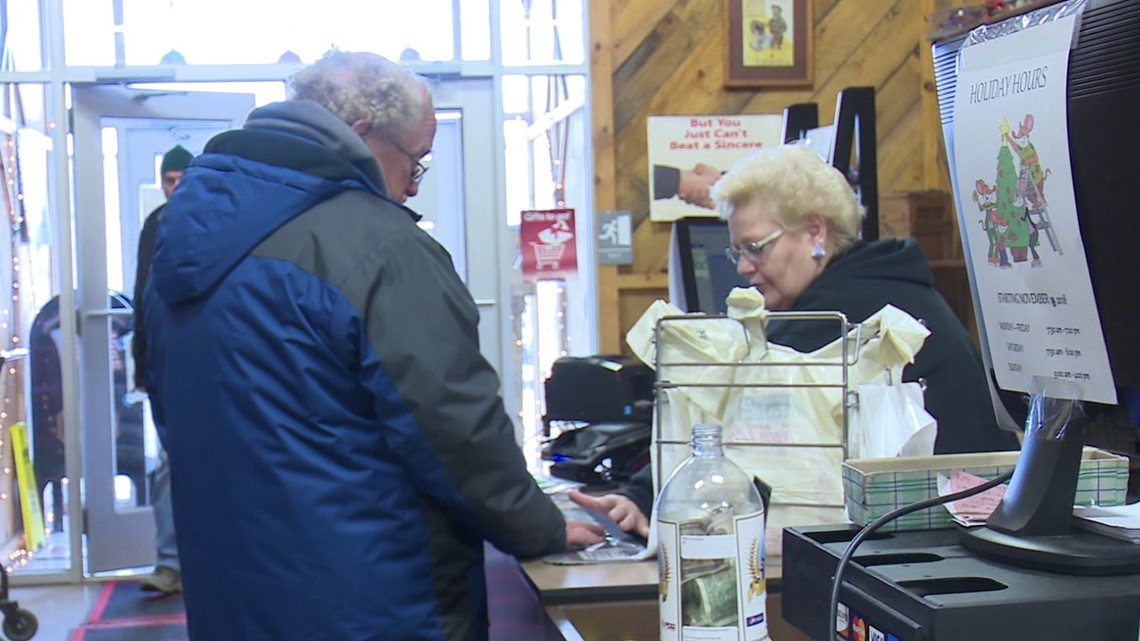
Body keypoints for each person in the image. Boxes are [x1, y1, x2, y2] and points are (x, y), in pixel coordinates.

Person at [140, 51, 603, 641]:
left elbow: (173, 412)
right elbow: (454, 429)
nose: (412, 187)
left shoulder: (176, 244)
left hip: (234, 595)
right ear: (362, 135)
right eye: (417, 163)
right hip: (374, 600)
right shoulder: (378, 246)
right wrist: (540, 526)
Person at [574, 144, 1019, 532]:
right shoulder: (879, 284)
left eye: (756, 247)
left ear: (815, 233)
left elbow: (734, 419)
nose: (743, 268)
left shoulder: (838, 317)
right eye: (737, 251)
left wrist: (641, 497)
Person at [132, 144, 193, 594]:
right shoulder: (153, 226)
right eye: (168, 180)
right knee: (168, 465)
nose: (174, 188)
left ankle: (186, 560)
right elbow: (142, 297)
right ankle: (171, 561)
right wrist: (141, 360)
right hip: (159, 365)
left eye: (180, 179)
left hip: (198, 364)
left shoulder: (207, 222)